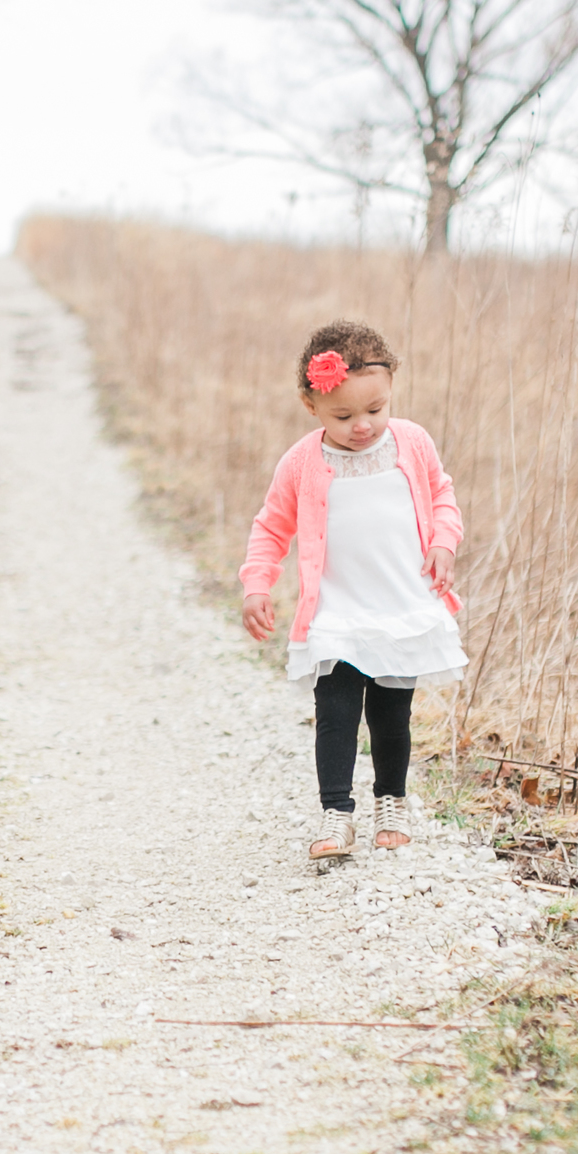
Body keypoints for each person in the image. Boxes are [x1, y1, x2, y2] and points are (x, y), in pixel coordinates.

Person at [238, 321, 466, 860]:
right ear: (310, 404)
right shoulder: (301, 463)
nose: (362, 426)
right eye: (343, 416)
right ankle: (336, 812)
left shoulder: (411, 442)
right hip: (336, 613)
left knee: (392, 713)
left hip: (397, 606)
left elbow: (442, 497)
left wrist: (444, 542)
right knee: (336, 711)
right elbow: (271, 527)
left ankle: (391, 798)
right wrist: (256, 584)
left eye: (375, 410)